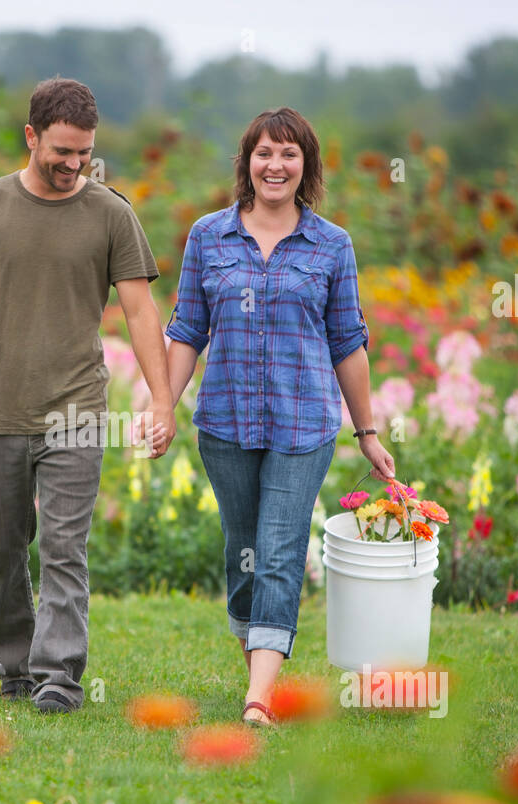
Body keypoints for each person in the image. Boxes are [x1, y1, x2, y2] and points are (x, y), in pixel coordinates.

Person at [0, 77, 176, 715]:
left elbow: (142, 313)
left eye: (83, 153)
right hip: (0, 408)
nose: (72, 165)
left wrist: (162, 398)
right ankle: (15, 666)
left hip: (79, 410)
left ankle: (59, 677)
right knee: (3, 550)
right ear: (31, 136)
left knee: (66, 548)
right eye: (61, 151)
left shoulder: (112, 213)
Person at [151, 107, 395, 726]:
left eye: (288, 154)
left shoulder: (332, 245)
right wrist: (163, 406)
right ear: (246, 163)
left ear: (305, 165)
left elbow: (349, 342)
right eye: (264, 153)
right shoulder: (209, 237)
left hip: (302, 425)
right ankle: (261, 659)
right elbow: (187, 329)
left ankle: (259, 696)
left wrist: (367, 432)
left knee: (281, 550)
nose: (275, 165)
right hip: (225, 425)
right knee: (243, 555)